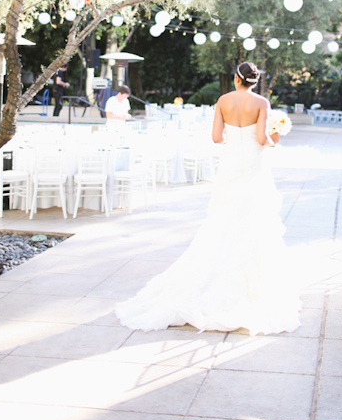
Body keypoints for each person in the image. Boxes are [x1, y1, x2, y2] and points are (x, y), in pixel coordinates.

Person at [115, 61, 302, 335]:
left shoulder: (223, 100)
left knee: (223, 219)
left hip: (229, 164)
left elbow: (216, 137)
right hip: (254, 164)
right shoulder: (262, 102)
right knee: (253, 219)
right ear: (253, 81)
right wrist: (275, 137)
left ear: (236, 79)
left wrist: (236, 137)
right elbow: (263, 139)